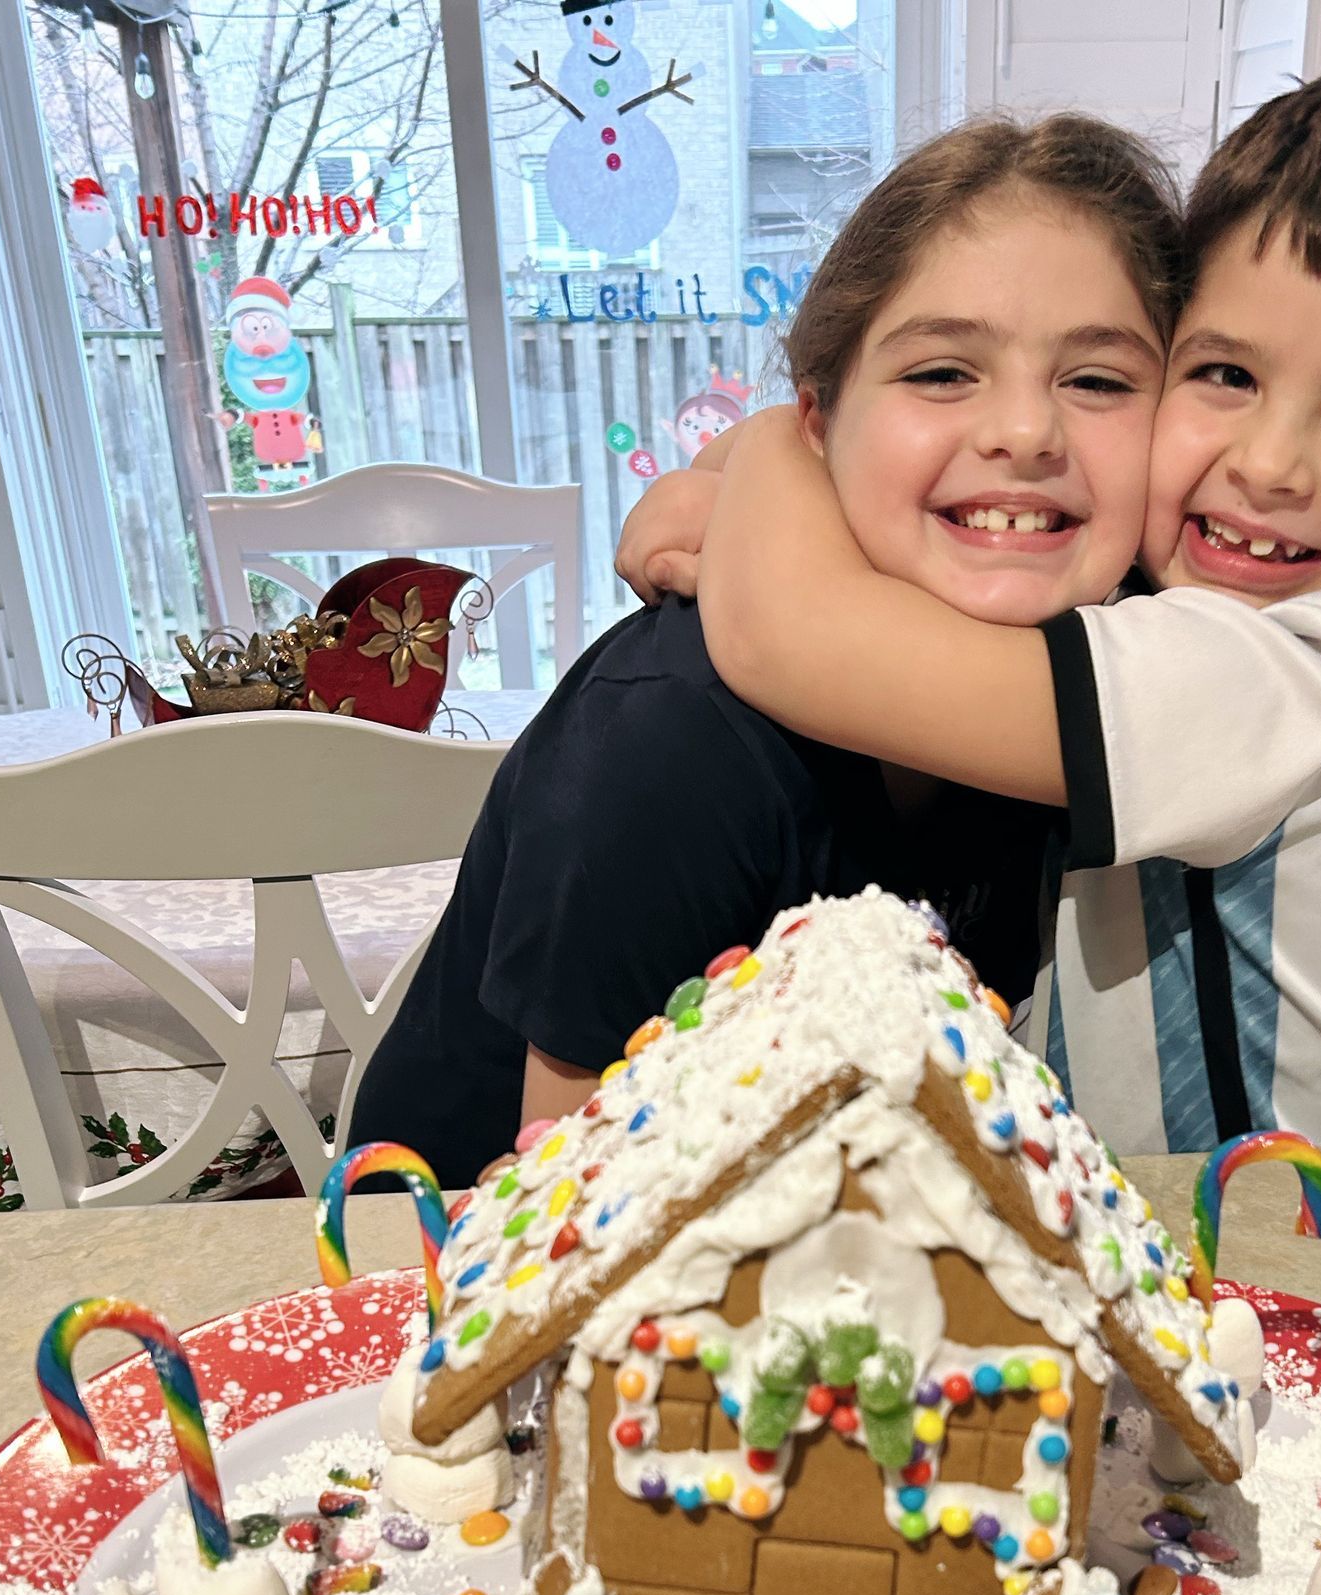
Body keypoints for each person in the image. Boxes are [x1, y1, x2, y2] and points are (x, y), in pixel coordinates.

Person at [619, 68, 1321, 1150]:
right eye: (1223, 375)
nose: (1268, 465)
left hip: (1296, 1261)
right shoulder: (1297, 626)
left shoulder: (1277, 673)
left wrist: (762, 452)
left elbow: (785, 637)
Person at [349, 114, 1184, 1185]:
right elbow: (560, 1224)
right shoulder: (672, 748)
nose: (1025, 432)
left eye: (1100, 382)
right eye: (940, 373)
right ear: (817, 426)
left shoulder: (1096, 680)